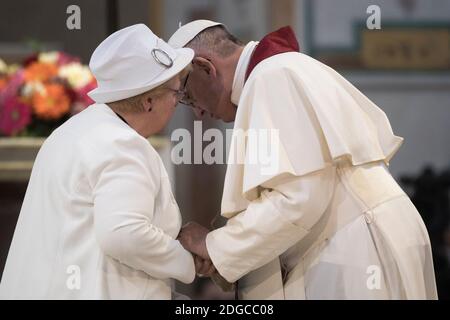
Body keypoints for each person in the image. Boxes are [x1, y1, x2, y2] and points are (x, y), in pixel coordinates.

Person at [171, 20, 438, 299]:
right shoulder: (279, 70)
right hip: (361, 237)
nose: (197, 114)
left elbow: (299, 198)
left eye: (187, 97)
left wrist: (215, 246)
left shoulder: (271, 76)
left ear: (205, 67)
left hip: (358, 246)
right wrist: (221, 256)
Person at [0, 24, 211, 299]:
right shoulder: (123, 144)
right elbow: (123, 234)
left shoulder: (71, 131)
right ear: (148, 101)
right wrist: (187, 260)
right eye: (176, 93)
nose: (176, 102)